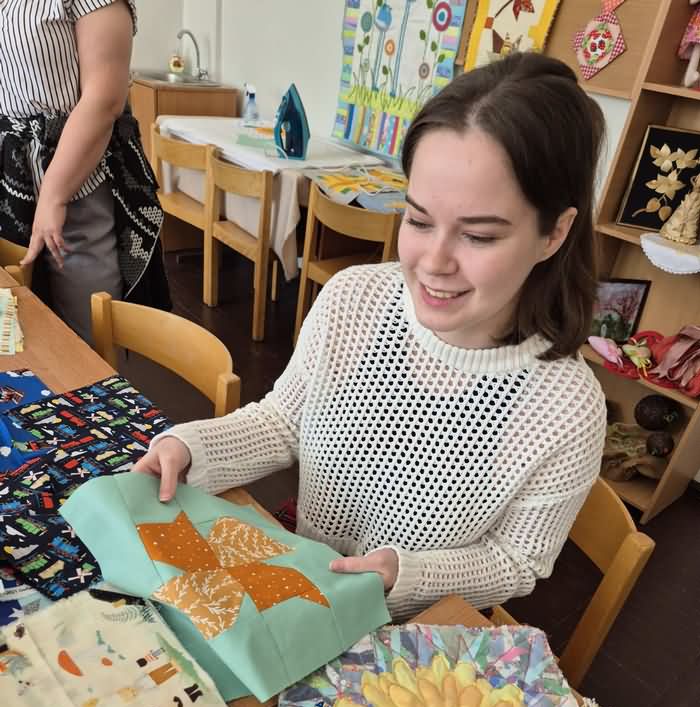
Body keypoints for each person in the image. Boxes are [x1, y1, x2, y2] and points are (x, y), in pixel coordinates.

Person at [134, 52, 607, 621]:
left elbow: (518, 561)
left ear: (555, 233)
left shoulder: (566, 409)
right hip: (305, 581)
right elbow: (284, 421)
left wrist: (407, 576)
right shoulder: (354, 300)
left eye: (479, 236)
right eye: (419, 220)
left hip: (406, 623)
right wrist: (191, 449)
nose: (433, 262)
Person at [0, 0, 170, 344]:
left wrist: (54, 195)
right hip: (12, 179)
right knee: (17, 330)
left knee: (85, 331)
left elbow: (104, 99)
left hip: (76, 181)